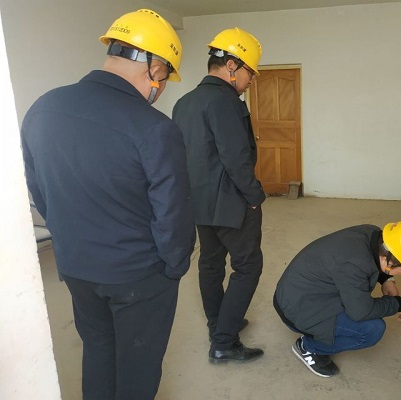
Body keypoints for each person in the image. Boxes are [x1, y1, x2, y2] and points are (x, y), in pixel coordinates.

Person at [21, 9, 195, 399]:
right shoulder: (154, 128)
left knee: (98, 350)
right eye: (164, 77)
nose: (161, 88)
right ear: (155, 67)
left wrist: (68, 238)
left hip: (76, 267)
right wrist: (173, 267)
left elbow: (38, 189)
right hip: (138, 274)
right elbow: (173, 213)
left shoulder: (43, 108)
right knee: (138, 367)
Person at [172, 27, 266, 364]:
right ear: (231, 65)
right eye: (250, 72)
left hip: (198, 203)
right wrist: (255, 196)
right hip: (231, 203)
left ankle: (219, 323)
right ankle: (224, 341)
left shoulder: (184, 103)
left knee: (211, 264)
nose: (251, 80)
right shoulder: (226, 101)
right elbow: (236, 157)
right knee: (248, 267)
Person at [274, 220, 401, 377]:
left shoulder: (372, 234)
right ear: (389, 261)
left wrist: (387, 279)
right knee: (372, 330)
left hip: (297, 292)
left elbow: (376, 261)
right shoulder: (354, 265)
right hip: (298, 310)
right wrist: (399, 304)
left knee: (358, 304)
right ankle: (309, 347)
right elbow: (361, 312)